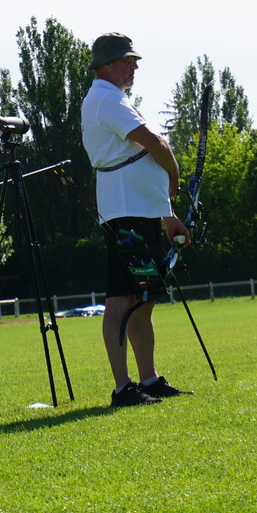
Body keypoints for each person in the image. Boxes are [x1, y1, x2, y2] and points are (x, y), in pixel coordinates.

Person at [81, 33, 194, 407]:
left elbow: (141, 164)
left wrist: (168, 215)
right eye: (127, 60)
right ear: (107, 64)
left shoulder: (115, 98)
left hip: (139, 210)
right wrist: (175, 177)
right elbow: (156, 144)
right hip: (125, 212)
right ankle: (123, 388)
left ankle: (149, 379)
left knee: (144, 299)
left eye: (134, 61)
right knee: (122, 299)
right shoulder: (105, 99)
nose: (134, 67)